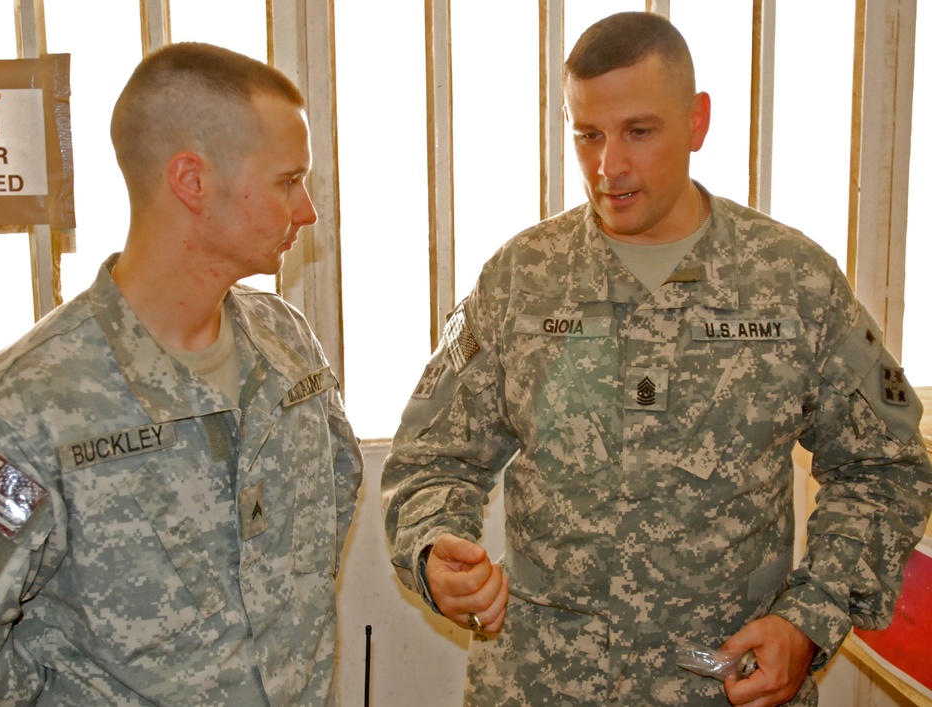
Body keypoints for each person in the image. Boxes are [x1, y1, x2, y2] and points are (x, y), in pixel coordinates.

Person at [382, 11, 932, 706]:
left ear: (697, 121)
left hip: (724, 686)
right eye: (587, 134)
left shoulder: (791, 281)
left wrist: (808, 620)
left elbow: (884, 467)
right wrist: (435, 551)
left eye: (639, 132)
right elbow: (431, 459)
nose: (608, 167)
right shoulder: (522, 279)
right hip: (544, 687)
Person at [0, 42, 362, 705]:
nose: (306, 211)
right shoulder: (22, 411)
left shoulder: (288, 347)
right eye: (286, 180)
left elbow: (331, 506)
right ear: (191, 180)